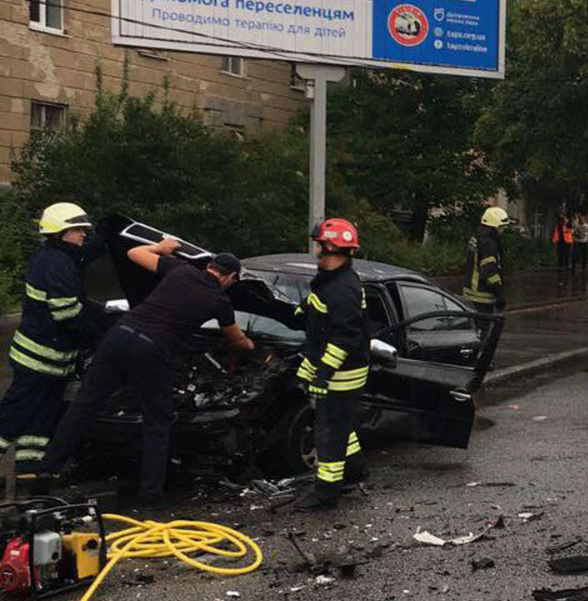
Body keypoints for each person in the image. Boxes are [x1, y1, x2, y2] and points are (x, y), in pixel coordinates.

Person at [37, 240, 253, 504]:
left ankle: (45, 473)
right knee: (157, 422)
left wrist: (162, 246)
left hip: (119, 335)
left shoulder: (181, 270)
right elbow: (236, 340)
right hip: (151, 350)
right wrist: (253, 347)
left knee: (84, 406)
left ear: (209, 266)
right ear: (230, 277)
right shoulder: (219, 300)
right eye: (233, 280)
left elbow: (133, 252)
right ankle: (151, 495)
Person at [0, 203, 98, 474]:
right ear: (60, 232)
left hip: (50, 362)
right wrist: (96, 335)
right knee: (14, 414)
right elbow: (66, 313)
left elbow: (90, 252)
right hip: (38, 359)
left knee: (40, 422)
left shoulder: (56, 257)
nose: (83, 235)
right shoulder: (57, 264)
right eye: (77, 229)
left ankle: (29, 475)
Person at [292, 218, 369, 511]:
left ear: (333, 247)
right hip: (336, 370)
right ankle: (355, 468)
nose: (317, 253)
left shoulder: (342, 288)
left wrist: (323, 376)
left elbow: (344, 338)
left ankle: (326, 493)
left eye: (321, 247)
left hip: (342, 375)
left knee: (329, 433)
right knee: (342, 424)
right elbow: (319, 314)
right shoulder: (330, 281)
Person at [463, 206, 513, 313]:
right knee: (486, 327)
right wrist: (500, 294)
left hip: (470, 292)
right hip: (482, 295)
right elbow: (489, 272)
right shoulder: (489, 244)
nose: (503, 230)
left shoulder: (477, 237)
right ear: (495, 226)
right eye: (502, 227)